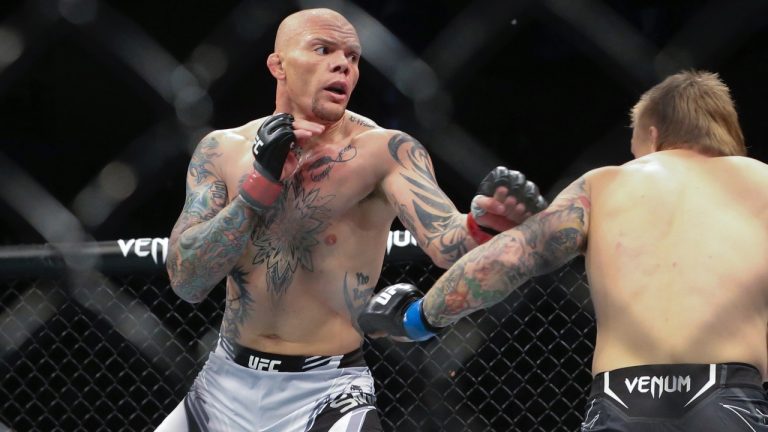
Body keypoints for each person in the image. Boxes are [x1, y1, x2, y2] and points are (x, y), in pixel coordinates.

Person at [157, 8, 546, 432]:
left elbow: (446, 243)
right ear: (278, 65)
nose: (343, 63)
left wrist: (483, 225)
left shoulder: (384, 152)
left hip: (326, 392)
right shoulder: (222, 149)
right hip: (222, 382)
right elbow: (187, 281)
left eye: (353, 56)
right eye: (323, 49)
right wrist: (257, 189)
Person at [359, 70, 768, 431]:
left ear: (653, 134)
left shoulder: (605, 184)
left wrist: (416, 318)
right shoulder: (760, 184)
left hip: (622, 401)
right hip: (728, 400)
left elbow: (508, 258)